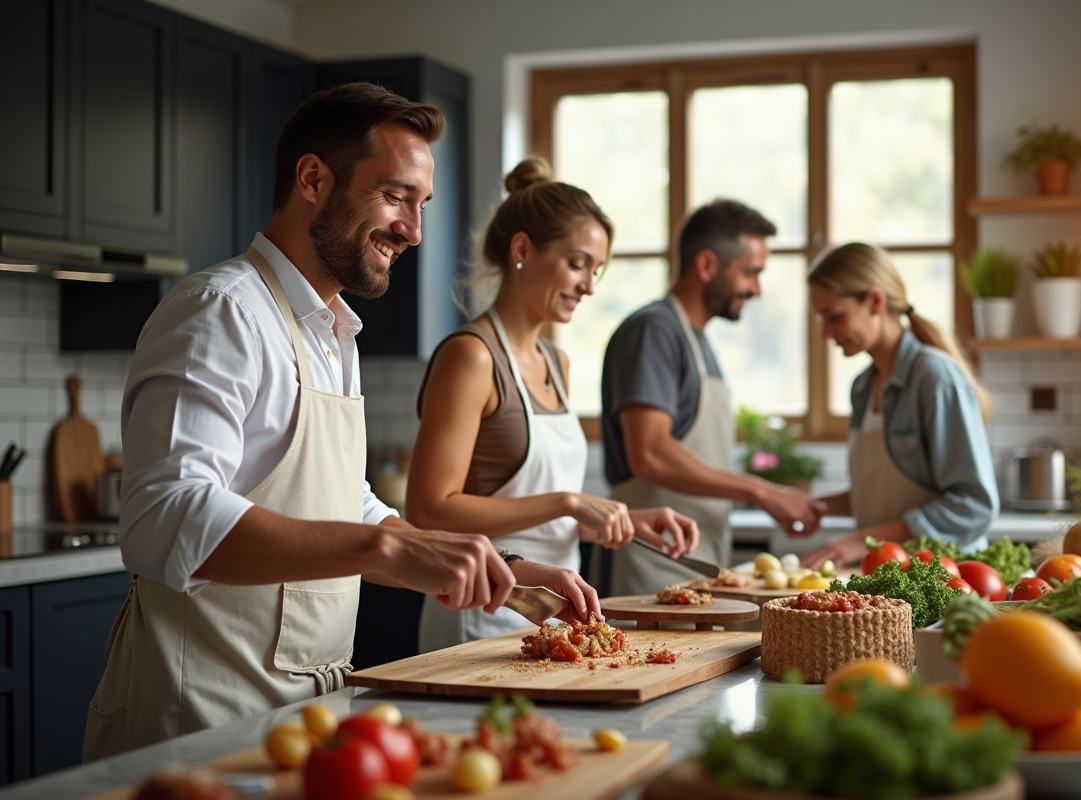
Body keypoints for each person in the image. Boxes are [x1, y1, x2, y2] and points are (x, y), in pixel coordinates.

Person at [82, 84, 579, 760]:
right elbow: (162, 519)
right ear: (313, 178)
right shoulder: (220, 311)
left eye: (421, 204)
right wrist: (390, 551)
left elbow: (350, 504)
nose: (413, 230)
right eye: (396, 196)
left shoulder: (332, 331)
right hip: (196, 725)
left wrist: (498, 566)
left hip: (301, 720)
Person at [407, 158, 700, 652]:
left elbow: (537, 508)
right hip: (482, 614)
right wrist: (570, 501)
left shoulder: (556, 362)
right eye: (577, 263)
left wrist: (624, 519)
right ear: (522, 249)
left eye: (596, 270)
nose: (588, 285)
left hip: (557, 617)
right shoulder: (472, 356)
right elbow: (429, 511)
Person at [601, 199, 826, 597]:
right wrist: (761, 490)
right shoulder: (654, 331)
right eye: (750, 273)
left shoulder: (698, 341)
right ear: (706, 265)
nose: (756, 289)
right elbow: (649, 453)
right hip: (652, 566)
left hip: (693, 563)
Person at [800, 242, 999, 568]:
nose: (825, 333)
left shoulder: (934, 376)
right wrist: (814, 506)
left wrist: (860, 541)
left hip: (945, 579)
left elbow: (973, 505)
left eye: (834, 316)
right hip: (889, 573)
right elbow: (884, 499)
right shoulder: (863, 387)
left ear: (875, 301)